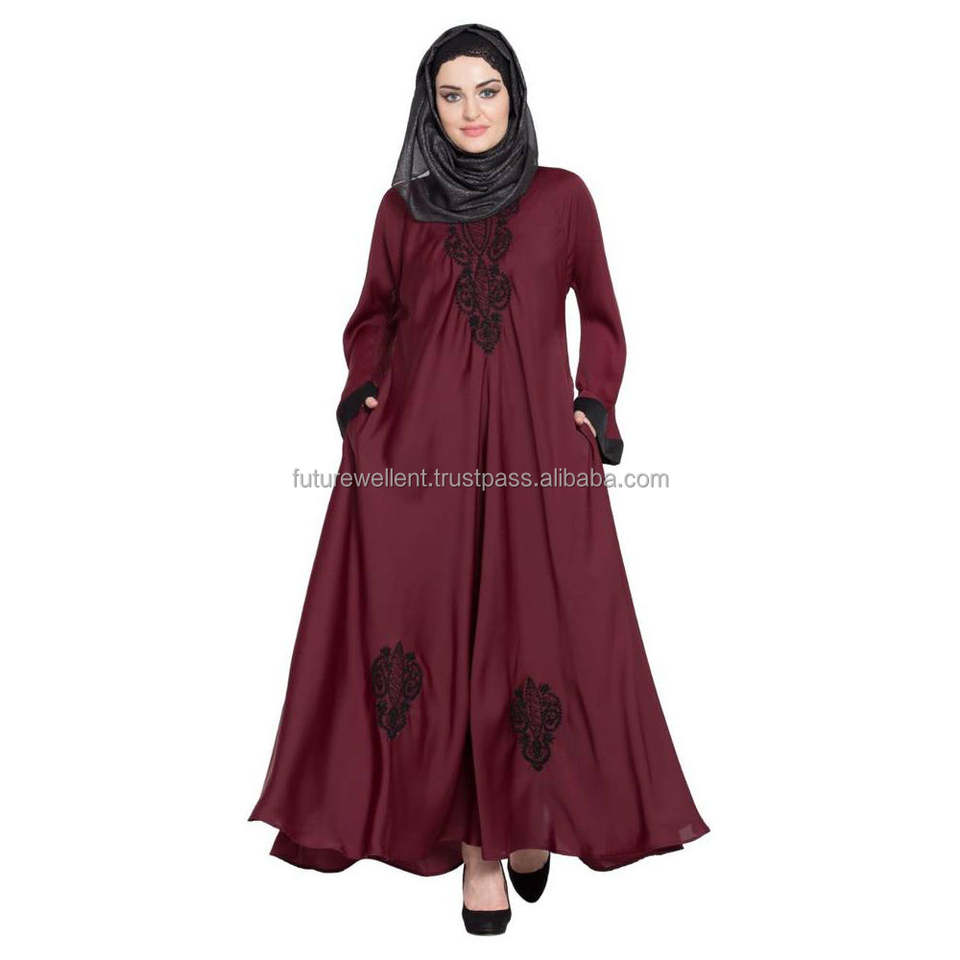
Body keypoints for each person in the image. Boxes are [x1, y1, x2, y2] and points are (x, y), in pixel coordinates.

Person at [248, 23, 709, 936]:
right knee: (441, 636)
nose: (470, 112)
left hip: (538, 455)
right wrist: (363, 399)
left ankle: (525, 809)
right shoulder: (403, 209)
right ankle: (480, 852)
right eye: (451, 95)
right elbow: (374, 318)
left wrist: (595, 404)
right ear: (430, 105)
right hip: (422, 458)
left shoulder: (564, 198)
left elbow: (602, 313)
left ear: (514, 96)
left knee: (541, 631)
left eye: (486, 91)